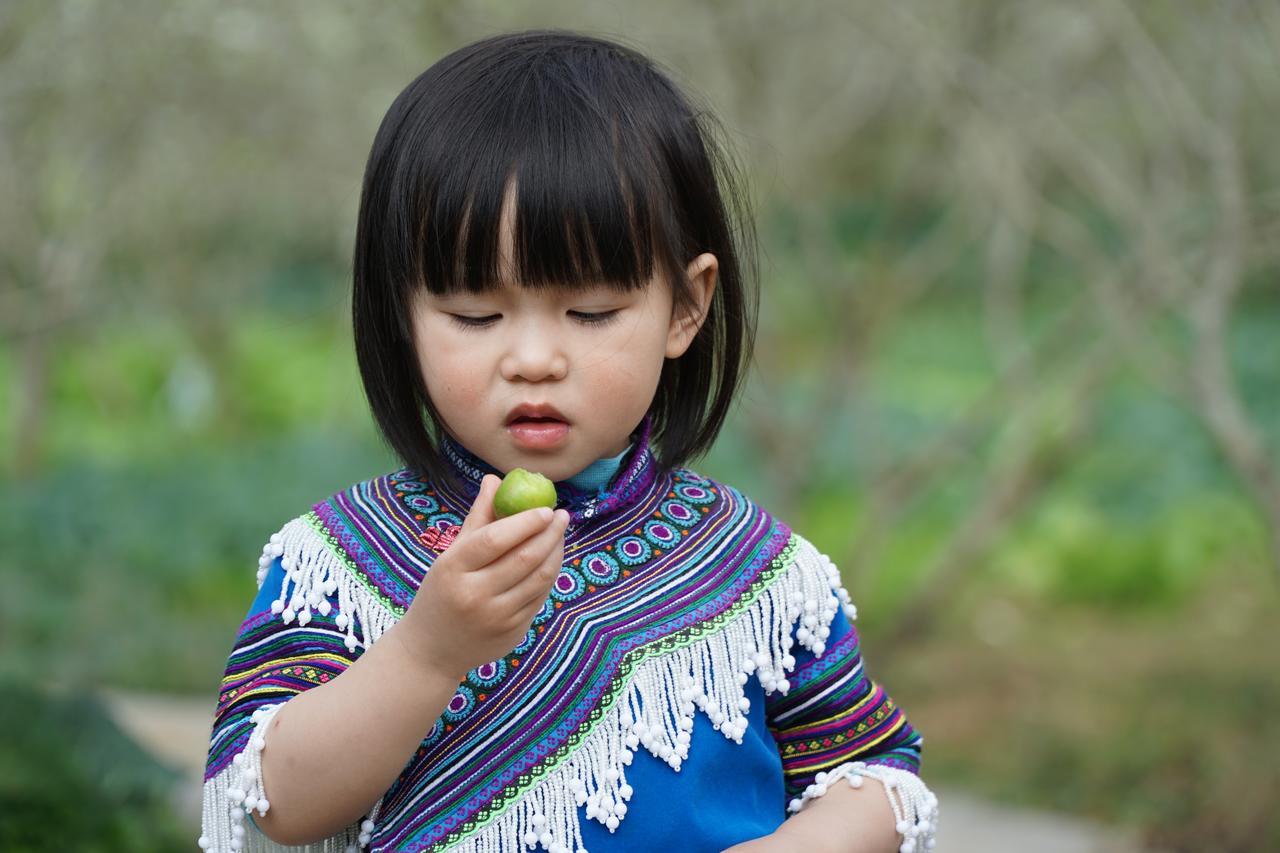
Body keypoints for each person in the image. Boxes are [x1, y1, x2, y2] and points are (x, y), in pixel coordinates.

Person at [198, 28, 939, 853]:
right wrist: (429, 649)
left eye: (590, 312)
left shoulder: (757, 573)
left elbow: (878, 776)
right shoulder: (339, 565)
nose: (534, 359)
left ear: (686, 307)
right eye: (475, 316)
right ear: (400, 314)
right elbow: (271, 799)